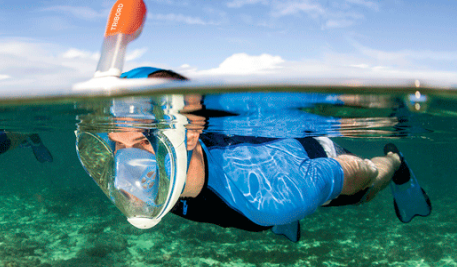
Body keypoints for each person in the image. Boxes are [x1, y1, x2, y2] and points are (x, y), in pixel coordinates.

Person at [76, 67, 431, 242]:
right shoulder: (155, 179)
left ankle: (397, 162)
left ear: (191, 130)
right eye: (118, 145)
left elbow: (353, 172)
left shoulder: (276, 196)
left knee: (364, 190)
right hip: (264, 187)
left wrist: (370, 170)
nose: (125, 167)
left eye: (140, 141)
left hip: (310, 162)